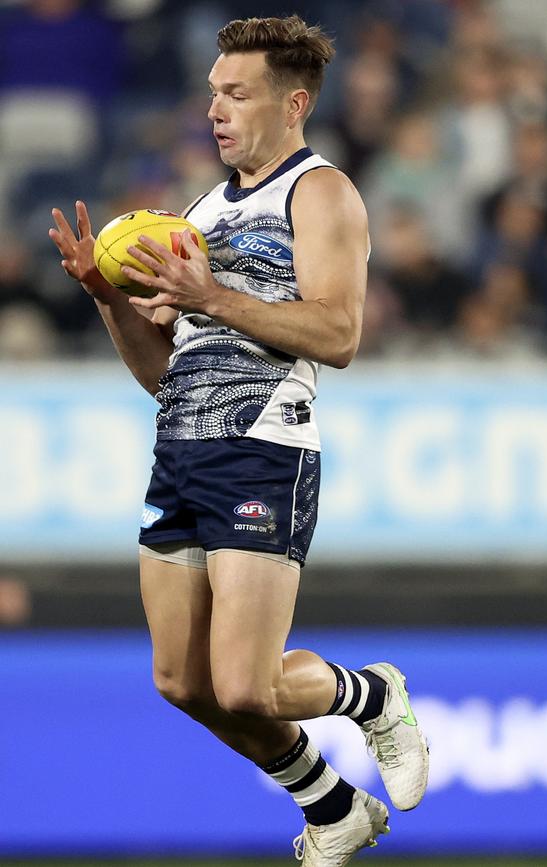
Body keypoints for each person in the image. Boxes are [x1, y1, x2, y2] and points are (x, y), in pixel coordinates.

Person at [48, 15, 429, 866]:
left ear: (293, 104)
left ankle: (373, 694)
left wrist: (210, 295)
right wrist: (108, 299)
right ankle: (333, 804)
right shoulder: (199, 210)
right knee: (181, 681)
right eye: (213, 91)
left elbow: (338, 333)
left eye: (237, 93)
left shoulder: (321, 192)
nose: (215, 108)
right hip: (181, 447)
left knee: (246, 683)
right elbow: (168, 375)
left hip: (265, 445)